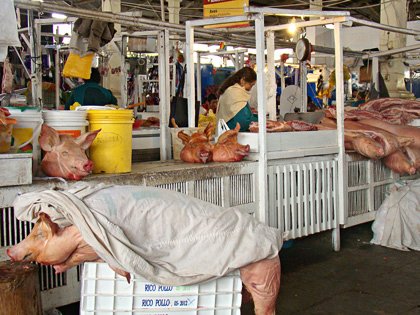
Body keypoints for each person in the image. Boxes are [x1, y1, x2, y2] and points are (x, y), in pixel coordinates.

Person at [216, 67, 257, 132]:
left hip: (228, 132)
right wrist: (258, 121)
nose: (251, 88)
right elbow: (243, 121)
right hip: (230, 133)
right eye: (251, 85)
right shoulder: (235, 92)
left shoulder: (231, 90)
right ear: (243, 81)